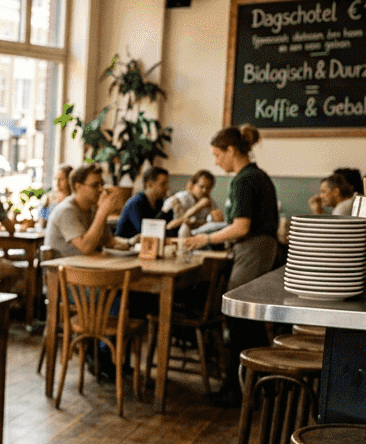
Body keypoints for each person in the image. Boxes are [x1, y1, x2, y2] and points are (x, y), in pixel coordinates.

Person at [184, 124, 279, 407]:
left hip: (253, 249)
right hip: (262, 249)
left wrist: (206, 238)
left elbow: (241, 226)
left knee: (239, 320)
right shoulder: (256, 175)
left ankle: (238, 392)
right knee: (251, 323)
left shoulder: (244, 179)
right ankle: (263, 387)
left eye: (217, 154)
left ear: (231, 150)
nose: (215, 161)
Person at [44, 163, 127, 258]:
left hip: (85, 266)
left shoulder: (93, 207)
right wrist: (102, 213)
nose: (101, 189)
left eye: (102, 184)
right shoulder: (66, 210)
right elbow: (85, 248)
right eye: (95, 185)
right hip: (63, 269)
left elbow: (107, 241)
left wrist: (128, 245)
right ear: (78, 187)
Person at [115, 165, 172, 240]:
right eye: (163, 184)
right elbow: (146, 232)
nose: (167, 188)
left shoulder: (160, 202)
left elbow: (167, 228)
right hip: (125, 247)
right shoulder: (136, 203)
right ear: (149, 185)